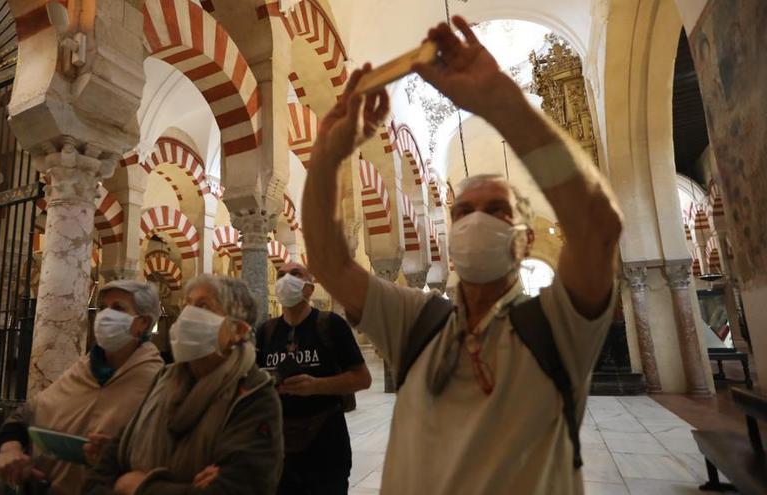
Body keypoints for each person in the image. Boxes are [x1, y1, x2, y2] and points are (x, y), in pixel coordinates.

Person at [301, 16, 623, 495]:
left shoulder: (557, 326)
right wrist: (326, 158)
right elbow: (329, 263)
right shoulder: (418, 321)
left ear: (525, 239)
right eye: (463, 211)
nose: (476, 220)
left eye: (497, 210)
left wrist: (501, 102)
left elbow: (597, 228)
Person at [83, 275, 283, 495]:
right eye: (186, 304)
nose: (187, 315)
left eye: (203, 306)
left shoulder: (253, 397)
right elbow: (100, 476)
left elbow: (238, 488)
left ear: (238, 331)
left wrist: (141, 487)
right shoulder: (163, 381)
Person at [0, 280, 164, 495]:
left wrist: (114, 456)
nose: (104, 316)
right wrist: (11, 446)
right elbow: (27, 413)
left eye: (118, 308)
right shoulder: (83, 368)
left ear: (143, 324)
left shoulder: (155, 381)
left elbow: (158, 458)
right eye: (103, 307)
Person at [256, 262, 371, 495]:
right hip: (280, 446)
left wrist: (316, 386)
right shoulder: (266, 332)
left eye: (295, 274)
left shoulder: (331, 325)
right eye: (280, 275)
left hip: (326, 445)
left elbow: (362, 378)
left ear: (309, 287)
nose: (286, 279)